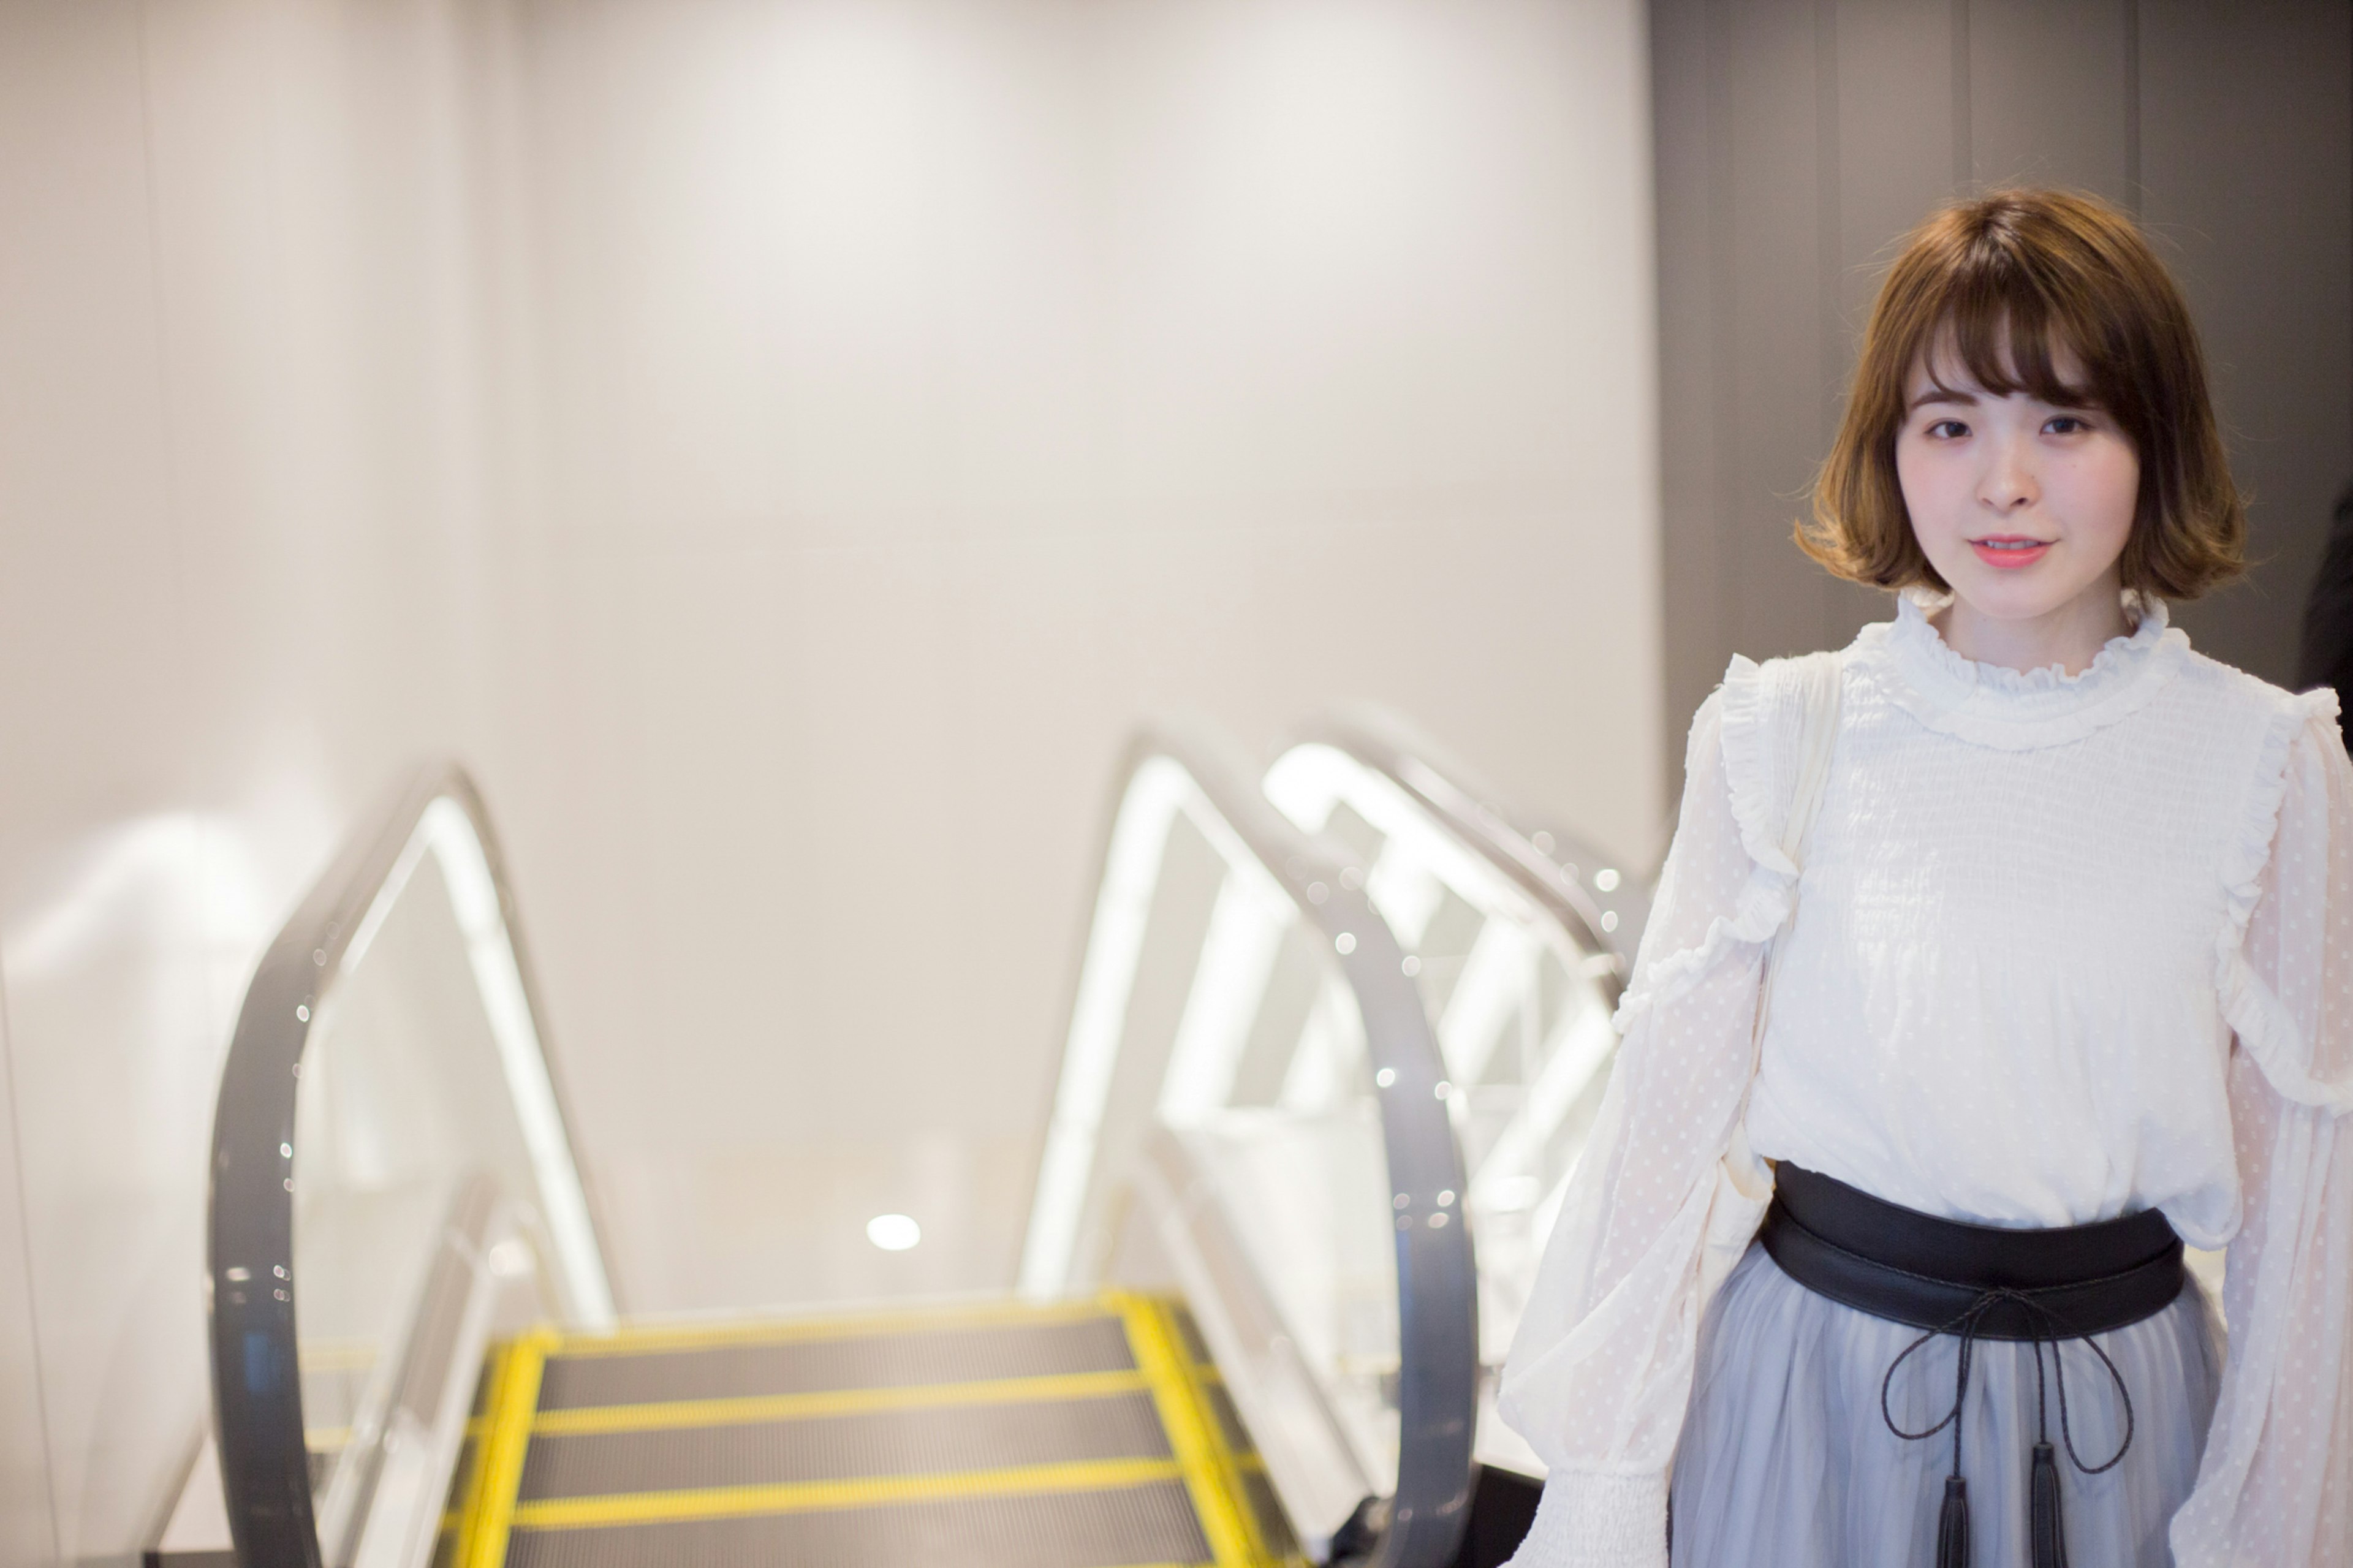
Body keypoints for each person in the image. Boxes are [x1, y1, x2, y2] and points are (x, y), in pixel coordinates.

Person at [1498, 189, 2353, 1567]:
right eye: (1949, 425)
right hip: (1811, 1397)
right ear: (1889, 451)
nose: (2002, 482)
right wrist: (1602, 1491)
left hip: (2127, 1404)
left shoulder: (2266, 762)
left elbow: (2310, 1223)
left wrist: (2278, 1530)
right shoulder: (1779, 733)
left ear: (2155, 441)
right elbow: (1658, 1151)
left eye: (2065, 422)